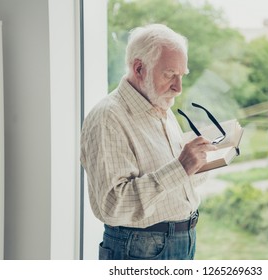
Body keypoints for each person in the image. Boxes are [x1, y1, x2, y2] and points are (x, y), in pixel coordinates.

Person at [80, 23, 217, 260]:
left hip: (180, 242)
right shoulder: (108, 117)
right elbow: (113, 204)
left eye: (181, 76)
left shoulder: (161, 106)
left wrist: (201, 161)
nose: (178, 88)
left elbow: (173, 181)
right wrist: (182, 166)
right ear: (139, 68)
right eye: (169, 74)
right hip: (140, 249)